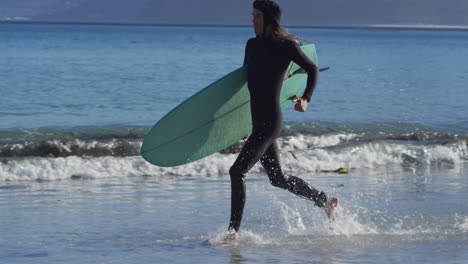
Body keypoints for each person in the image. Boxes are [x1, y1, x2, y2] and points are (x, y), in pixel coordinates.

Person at [228, 0, 339, 234]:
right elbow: (248, 87)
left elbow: (312, 69)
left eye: (256, 16)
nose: (252, 21)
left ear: (269, 20)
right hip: (257, 123)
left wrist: (305, 98)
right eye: (252, 16)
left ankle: (232, 234)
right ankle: (325, 200)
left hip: (271, 124)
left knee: (237, 171)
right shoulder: (251, 45)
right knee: (277, 178)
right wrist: (242, 123)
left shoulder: (286, 46)